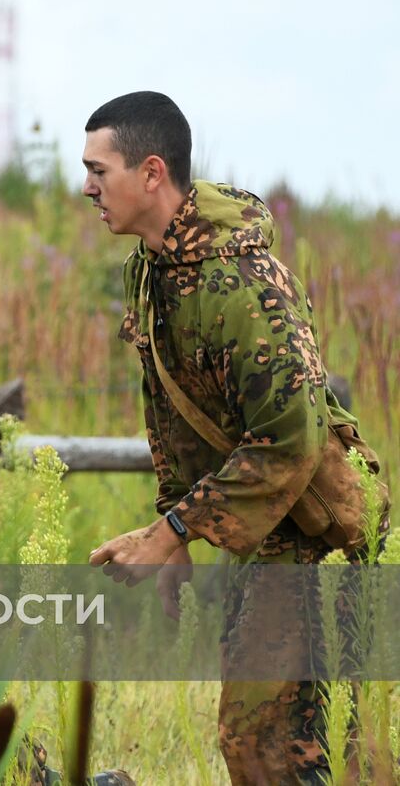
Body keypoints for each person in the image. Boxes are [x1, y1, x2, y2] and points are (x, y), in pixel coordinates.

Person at [82, 91, 387, 785]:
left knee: (291, 744)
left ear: (151, 172)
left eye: (99, 170)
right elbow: (174, 410)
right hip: (266, 526)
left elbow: (288, 439)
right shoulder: (152, 269)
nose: (88, 187)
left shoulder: (243, 283)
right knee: (267, 744)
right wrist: (175, 532)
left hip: (319, 532)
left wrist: (170, 532)